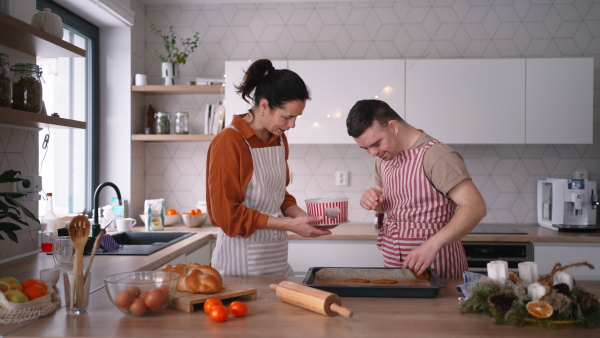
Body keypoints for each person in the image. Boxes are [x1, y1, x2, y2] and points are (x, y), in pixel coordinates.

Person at [206, 59, 333, 277]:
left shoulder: (278, 139)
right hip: (239, 264)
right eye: (287, 116)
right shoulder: (229, 141)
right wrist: (289, 226)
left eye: (296, 117)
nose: (292, 125)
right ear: (264, 106)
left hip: (275, 259)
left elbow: (278, 197)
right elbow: (225, 216)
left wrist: (306, 220)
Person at [346, 99, 487, 279]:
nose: (373, 153)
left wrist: (431, 246)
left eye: (376, 144)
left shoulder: (436, 156)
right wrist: (374, 199)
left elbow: (475, 206)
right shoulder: (383, 159)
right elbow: (386, 202)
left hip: (438, 267)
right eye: (365, 148)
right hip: (394, 268)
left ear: (393, 127)